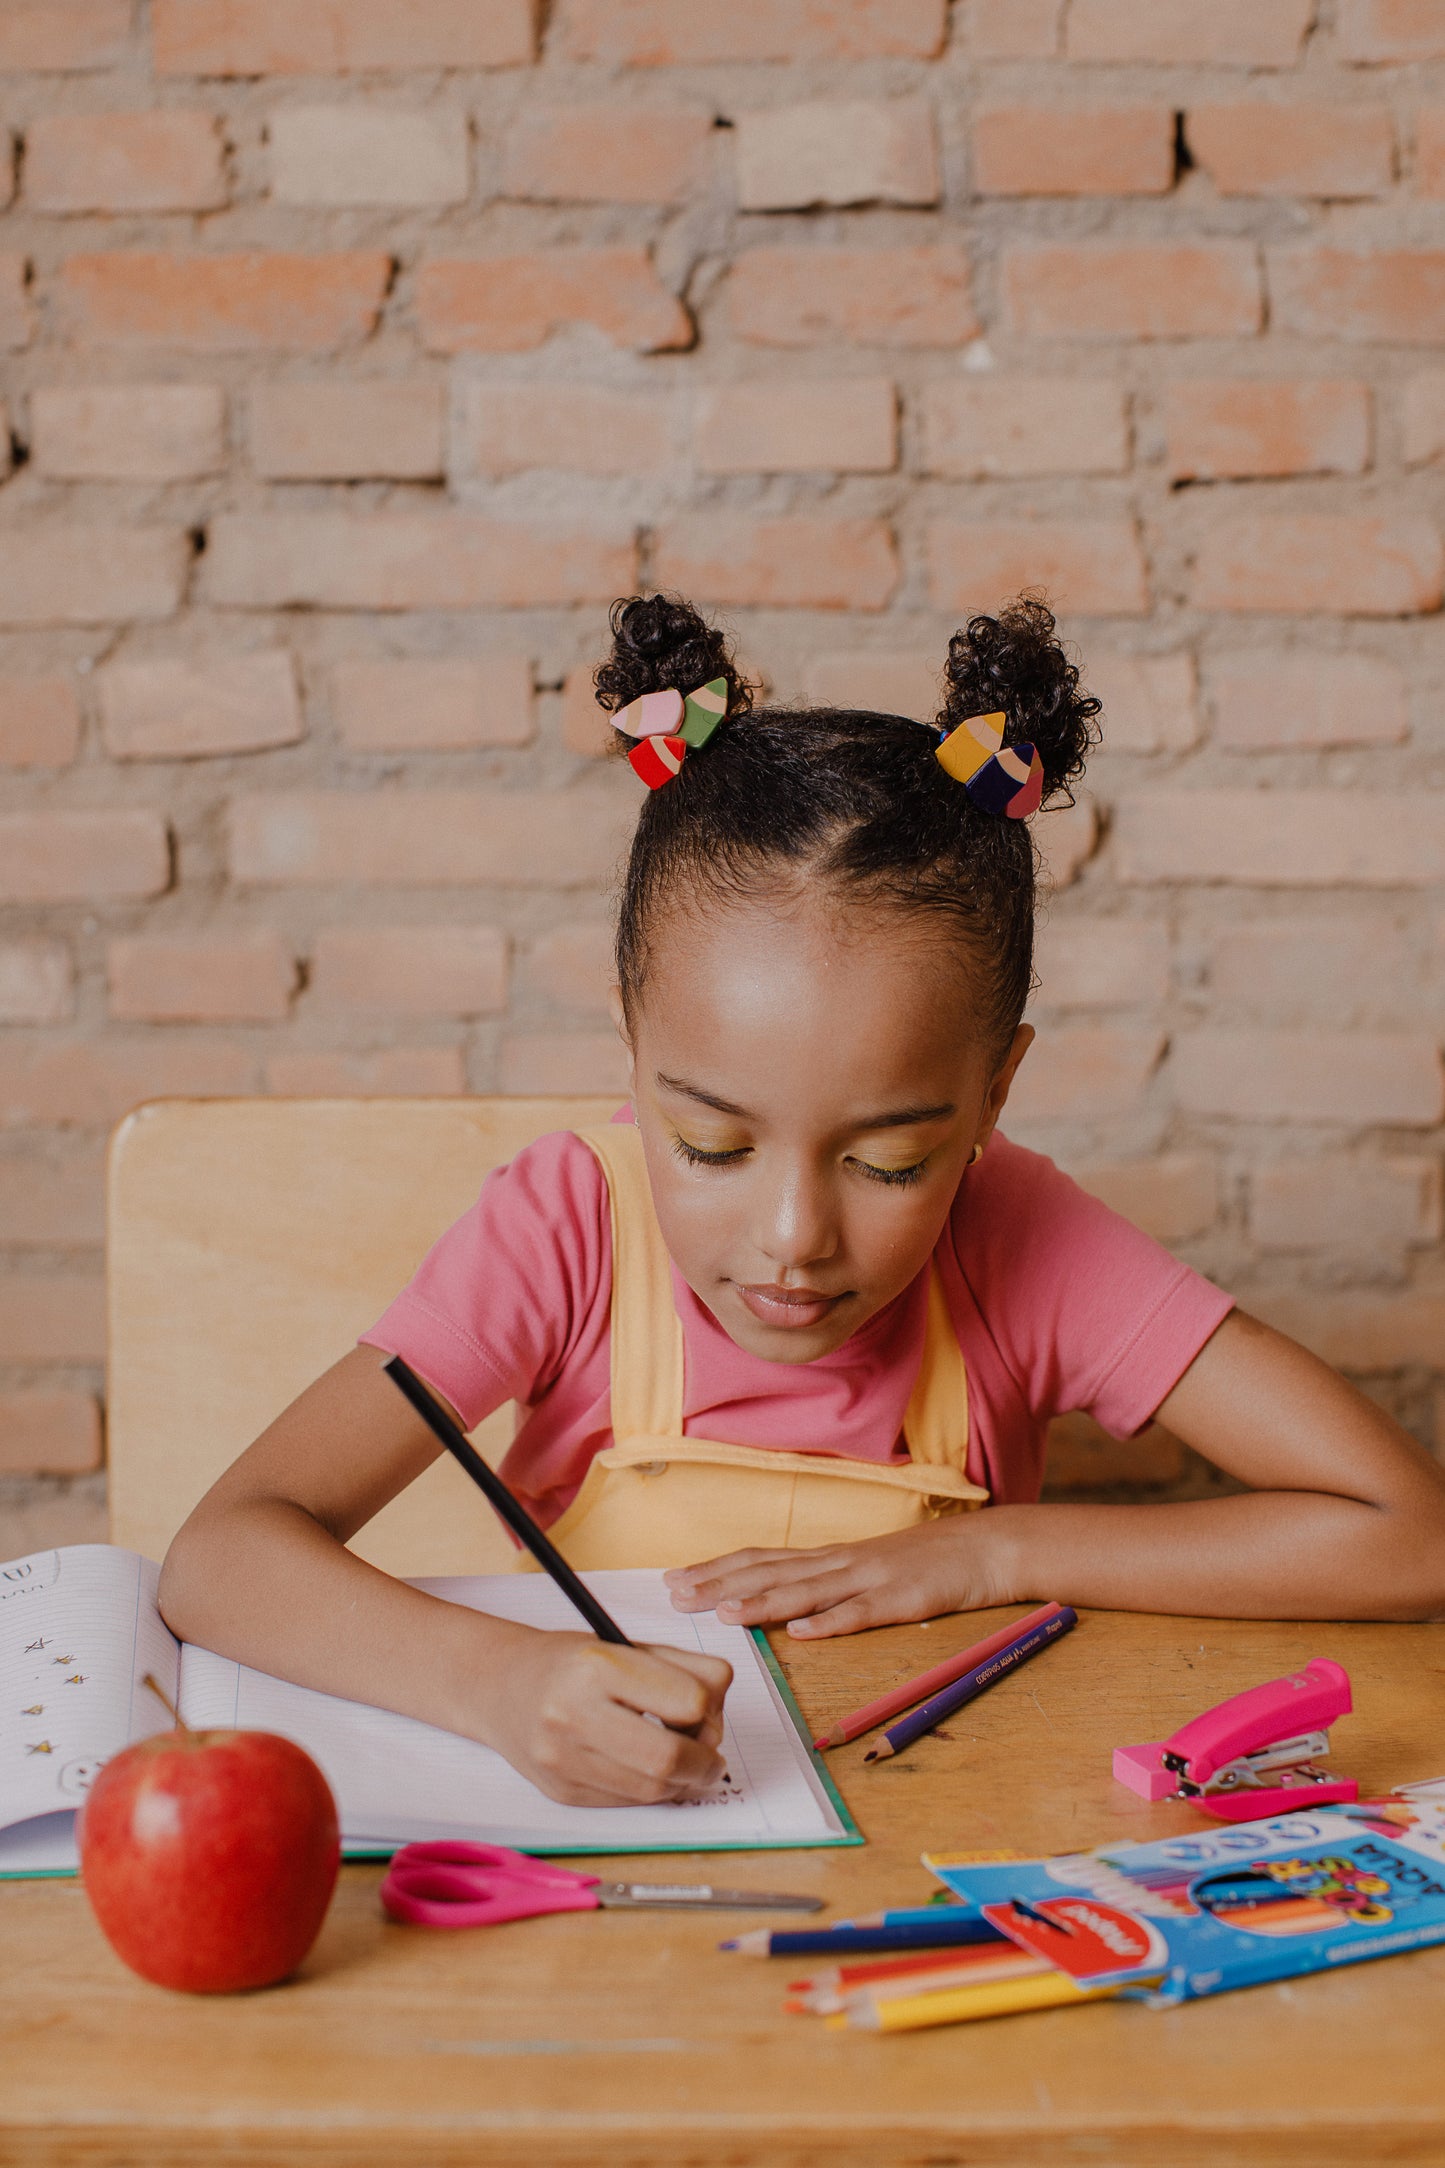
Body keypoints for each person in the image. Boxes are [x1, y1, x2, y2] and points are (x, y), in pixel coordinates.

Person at [158, 593, 1445, 1809]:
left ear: (994, 1092)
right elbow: (222, 1556)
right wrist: (496, 1681)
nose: (791, 1239)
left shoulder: (1016, 1237)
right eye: (709, 1142)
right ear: (629, 1047)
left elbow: (1407, 1537)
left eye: (887, 1163)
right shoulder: (568, 1225)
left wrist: (997, 1553)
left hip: (934, 1841)